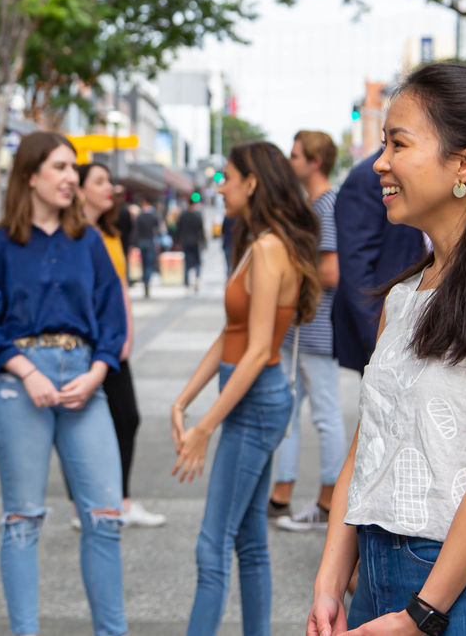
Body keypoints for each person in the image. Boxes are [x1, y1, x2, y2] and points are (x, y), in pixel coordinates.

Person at [308, 63, 466, 636]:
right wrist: (331, 578)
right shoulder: (404, 294)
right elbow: (369, 443)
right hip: (380, 579)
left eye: (398, 143)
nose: (380, 163)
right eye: (382, 144)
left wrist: (422, 615)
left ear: (465, 164)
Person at [0, 132, 130, 636]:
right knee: (22, 520)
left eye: (72, 168)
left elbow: (112, 318)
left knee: (105, 516)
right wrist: (27, 370)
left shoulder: (90, 242)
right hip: (21, 384)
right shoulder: (0, 243)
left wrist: (98, 371)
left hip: (86, 379)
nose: (70, 178)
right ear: (30, 176)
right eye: (59, 167)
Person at [172, 141, 321, 636]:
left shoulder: (268, 248)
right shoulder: (259, 243)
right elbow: (230, 336)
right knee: (249, 541)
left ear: (252, 183)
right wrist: (183, 400)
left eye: (228, 177)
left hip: (255, 402)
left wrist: (204, 427)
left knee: (211, 545)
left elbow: (257, 352)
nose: (221, 186)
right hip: (256, 399)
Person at [73, 161, 166, 528]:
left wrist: (127, 332)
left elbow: (120, 288)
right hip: (83, 344)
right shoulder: (72, 234)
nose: (109, 187)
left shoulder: (111, 234)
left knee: (126, 418)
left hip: (113, 344)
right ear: (79, 190)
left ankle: (121, 499)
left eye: (109, 181)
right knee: (81, 422)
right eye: (99, 181)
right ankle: (86, 504)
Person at [271, 130, 347, 533]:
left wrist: (289, 276)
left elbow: (331, 271)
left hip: (315, 328)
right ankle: (281, 494)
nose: (291, 160)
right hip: (303, 327)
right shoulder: (313, 205)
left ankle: (327, 500)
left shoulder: (325, 206)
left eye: (296, 155)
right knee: (288, 410)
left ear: (314, 162)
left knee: (324, 414)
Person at [331, 149, 426, 373]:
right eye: (388, 141)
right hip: (384, 332)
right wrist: (380, 342)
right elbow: (356, 268)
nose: (382, 164)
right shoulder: (365, 178)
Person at [176, 197, 207, 292]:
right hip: (196, 241)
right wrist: (204, 243)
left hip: (185, 242)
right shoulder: (197, 215)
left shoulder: (183, 215)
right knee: (197, 262)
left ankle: (186, 283)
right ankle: (197, 277)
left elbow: (178, 229)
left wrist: (178, 241)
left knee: (187, 263)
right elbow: (201, 230)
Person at [135, 198, 162, 297]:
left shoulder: (140, 217)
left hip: (142, 242)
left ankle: (145, 279)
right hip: (150, 241)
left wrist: (135, 243)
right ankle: (147, 279)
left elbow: (136, 231)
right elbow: (157, 230)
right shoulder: (153, 216)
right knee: (150, 263)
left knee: (144, 262)